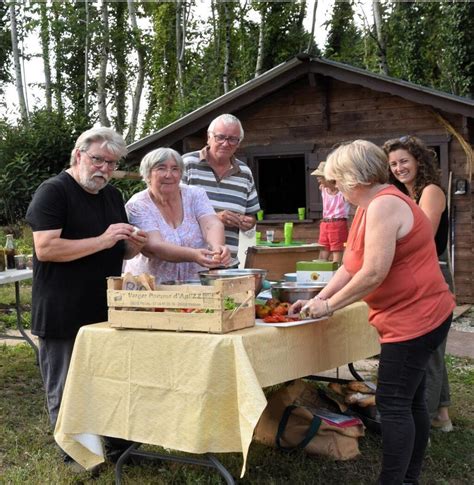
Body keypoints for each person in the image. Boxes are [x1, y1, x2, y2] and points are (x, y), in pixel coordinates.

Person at [290, 140, 455, 485]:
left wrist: (330, 306)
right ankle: (407, 479)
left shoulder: (383, 206)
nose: (335, 188)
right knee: (410, 402)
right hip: (414, 315)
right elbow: (352, 267)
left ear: (354, 178)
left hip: (416, 318)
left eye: (337, 181)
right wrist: (317, 298)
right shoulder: (369, 205)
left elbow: (374, 272)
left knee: (395, 404)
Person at [26, 127, 147, 466]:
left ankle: (121, 449)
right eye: (98, 160)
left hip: (106, 306)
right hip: (62, 308)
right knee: (66, 385)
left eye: (111, 164)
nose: (104, 169)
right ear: (79, 154)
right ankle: (76, 454)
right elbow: (46, 248)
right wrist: (104, 240)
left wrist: (131, 245)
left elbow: (117, 250)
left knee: (111, 380)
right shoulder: (53, 191)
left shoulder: (111, 196)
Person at [384, 135, 453, 433]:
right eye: (393, 164)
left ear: (418, 161)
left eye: (404, 161)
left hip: (432, 274)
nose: (399, 168)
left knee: (429, 352)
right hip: (417, 274)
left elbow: (420, 238)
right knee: (432, 349)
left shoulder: (431, 191)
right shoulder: (405, 195)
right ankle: (443, 416)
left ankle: (420, 423)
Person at [123, 147, 231, 282]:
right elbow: (154, 246)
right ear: (147, 174)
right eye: (161, 168)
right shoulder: (137, 205)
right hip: (150, 288)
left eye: (175, 169)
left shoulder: (195, 194)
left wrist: (217, 248)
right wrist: (193, 255)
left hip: (194, 285)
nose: (169, 175)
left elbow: (211, 223)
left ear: (181, 174)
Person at [182, 113, 260, 258]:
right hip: (190, 263)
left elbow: (252, 215)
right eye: (220, 137)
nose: (226, 143)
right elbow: (170, 215)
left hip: (226, 263)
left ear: (239, 143)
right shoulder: (186, 164)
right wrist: (214, 219)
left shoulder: (245, 173)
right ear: (208, 137)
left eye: (232, 139)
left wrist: (248, 222)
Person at [311, 161, 350, 264]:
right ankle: (322, 276)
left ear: (328, 177)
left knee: (337, 252)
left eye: (320, 176)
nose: (318, 179)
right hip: (325, 223)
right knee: (323, 251)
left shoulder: (342, 191)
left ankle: (336, 275)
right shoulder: (323, 188)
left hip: (338, 223)